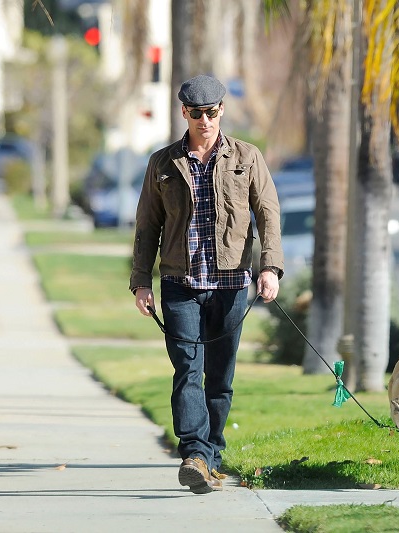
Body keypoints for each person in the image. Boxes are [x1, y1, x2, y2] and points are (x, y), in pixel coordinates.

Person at [129, 74, 284, 494]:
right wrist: (141, 280)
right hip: (180, 283)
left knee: (220, 378)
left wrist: (269, 268)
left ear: (221, 112)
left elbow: (268, 214)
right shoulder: (163, 164)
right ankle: (195, 452)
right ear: (184, 112)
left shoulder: (247, 158)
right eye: (196, 113)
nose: (204, 120)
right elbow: (147, 226)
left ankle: (211, 456)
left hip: (232, 284)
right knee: (187, 369)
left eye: (211, 113)